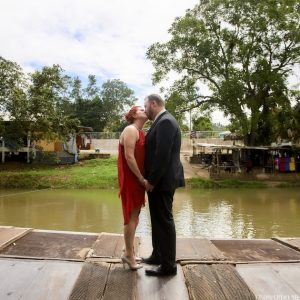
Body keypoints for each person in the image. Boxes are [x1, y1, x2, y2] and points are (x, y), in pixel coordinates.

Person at [142, 94, 185, 276]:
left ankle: (169, 266)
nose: (145, 110)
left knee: (164, 222)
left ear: (153, 103)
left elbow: (162, 155)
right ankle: (157, 255)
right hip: (160, 180)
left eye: (146, 106)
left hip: (162, 181)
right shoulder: (161, 121)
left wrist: (151, 180)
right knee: (157, 220)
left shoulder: (166, 122)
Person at [118, 105, 148, 270]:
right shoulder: (131, 130)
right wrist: (141, 178)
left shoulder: (139, 131)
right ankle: (128, 256)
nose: (145, 111)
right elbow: (129, 157)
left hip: (136, 179)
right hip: (132, 178)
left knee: (135, 215)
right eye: (141, 109)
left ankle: (128, 250)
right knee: (130, 216)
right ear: (135, 115)